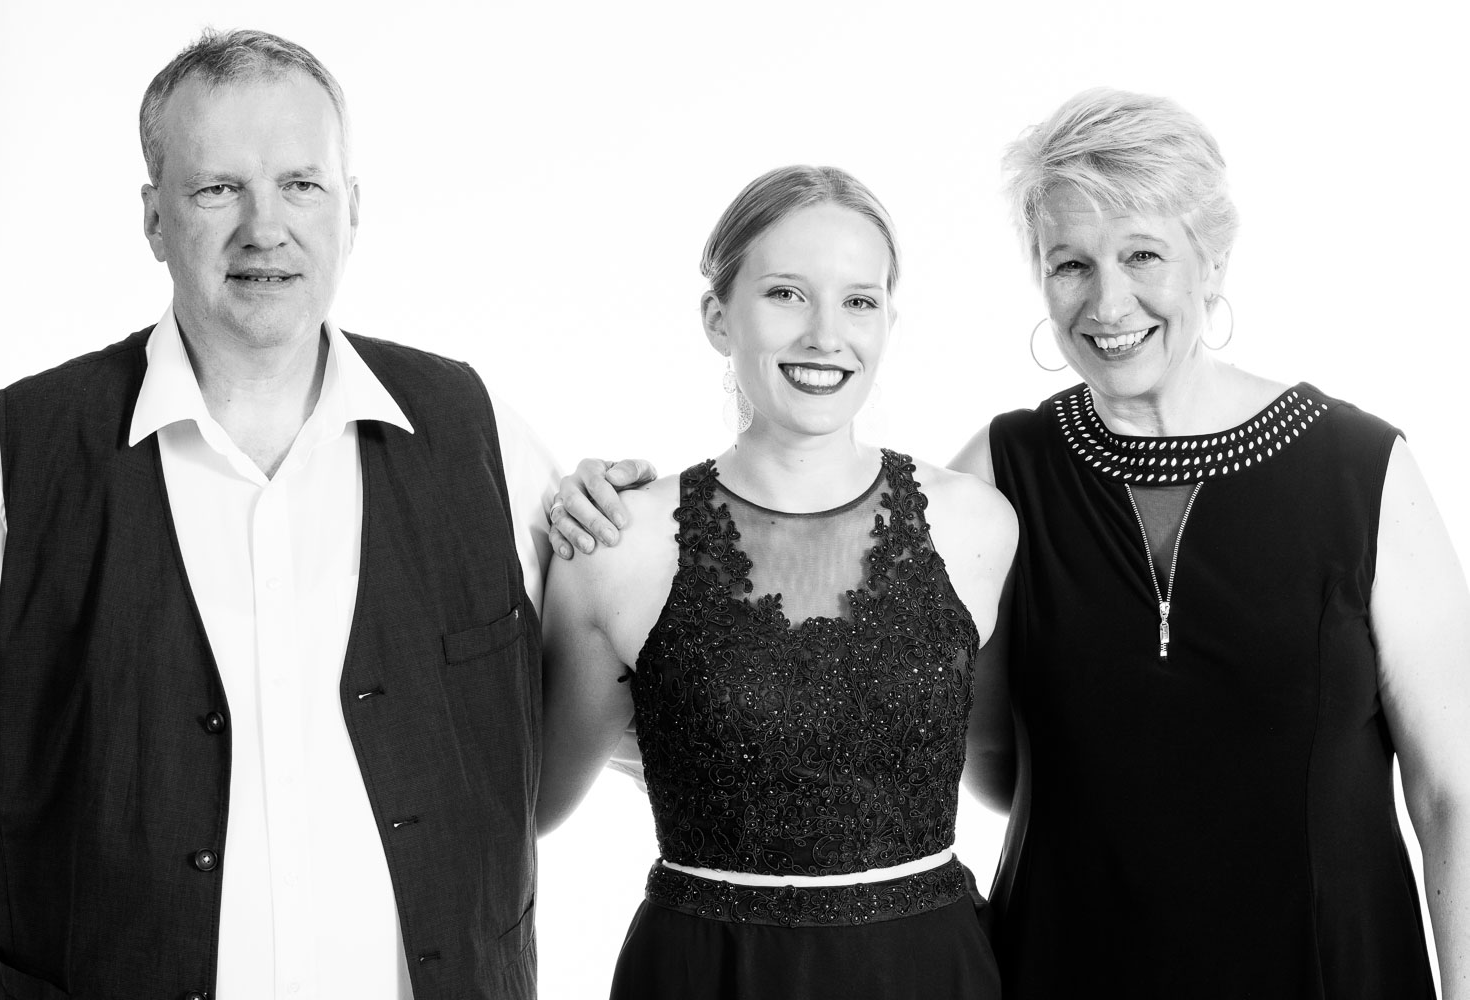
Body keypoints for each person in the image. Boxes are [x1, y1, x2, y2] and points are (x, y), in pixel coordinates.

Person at [550, 90, 1470, 999]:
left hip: (1326, 966)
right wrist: (605, 527)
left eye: (1143, 254)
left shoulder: (1362, 470)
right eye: (1070, 264)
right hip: (1065, 968)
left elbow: (1453, 797)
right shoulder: (1002, 473)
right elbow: (844, 698)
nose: (1108, 301)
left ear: (1213, 261)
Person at [0, 29, 555, 999]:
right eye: (217, 189)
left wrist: (644, 521)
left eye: (301, 185)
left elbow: (621, 676)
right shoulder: (16, 453)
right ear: (154, 219)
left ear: (352, 208)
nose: (265, 227)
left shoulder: (477, 429)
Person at [536, 165, 1017, 999]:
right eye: (787, 294)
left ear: (889, 322)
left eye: (858, 301)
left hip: (927, 970)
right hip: (705, 973)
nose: (826, 335)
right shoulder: (615, 542)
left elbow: (1004, 775)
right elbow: (533, 803)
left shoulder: (979, 525)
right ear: (718, 318)